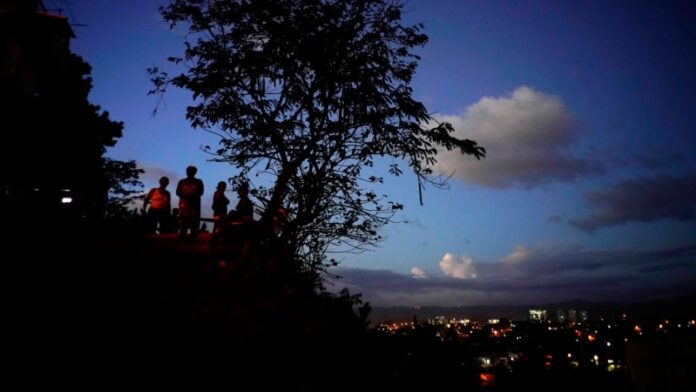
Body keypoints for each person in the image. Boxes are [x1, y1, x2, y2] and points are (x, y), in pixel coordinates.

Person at [176, 165, 204, 241]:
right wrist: (185, 197)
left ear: (195, 172)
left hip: (194, 206)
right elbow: (178, 192)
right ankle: (182, 238)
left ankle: (193, 239)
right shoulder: (182, 182)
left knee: (193, 224)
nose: (189, 173)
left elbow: (201, 192)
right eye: (188, 171)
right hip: (184, 207)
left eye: (191, 171)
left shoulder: (199, 182)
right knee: (183, 223)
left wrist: (192, 197)